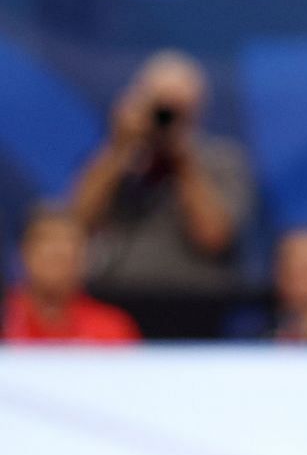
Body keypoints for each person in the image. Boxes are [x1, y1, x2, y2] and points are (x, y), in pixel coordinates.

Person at [69, 51, 254, 300]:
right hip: (116, 297)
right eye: (159, 108)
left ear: (196, 112)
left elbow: (213, 237)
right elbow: (77, 222)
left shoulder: (223, 160)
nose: (165, 120)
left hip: (194, 303)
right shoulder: (115, 158)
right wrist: (119, 147)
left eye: (176, 111)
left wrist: (183, 162)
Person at [2, 206, 141, 345]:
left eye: (69, 243)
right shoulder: (5, 320)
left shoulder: (112, 328)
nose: (58, 252)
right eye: (47, 242)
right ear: (24, 252)